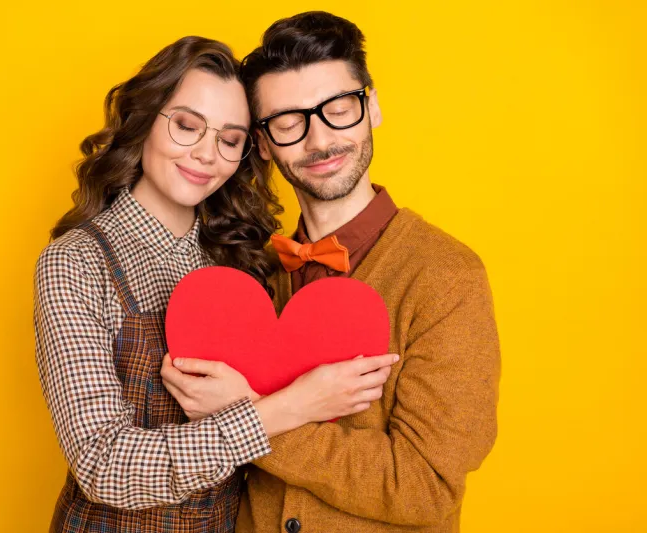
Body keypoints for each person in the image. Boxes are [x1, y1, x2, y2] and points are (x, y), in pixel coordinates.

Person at [34, 35, 398, 533]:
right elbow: (104, 465)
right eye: (186, 125)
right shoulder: (77, 262)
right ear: (143, 122)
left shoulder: (246, 261)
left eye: (228, 139)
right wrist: (288, 407)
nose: (206, 154)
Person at [165, 12, 501, 533]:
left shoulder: (447, 277)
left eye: (338, 109)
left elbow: (425, 487)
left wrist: (251, 415)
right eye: (288, 121)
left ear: (372, 107)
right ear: (262, 142)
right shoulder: (252, 272)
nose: (319, 140)